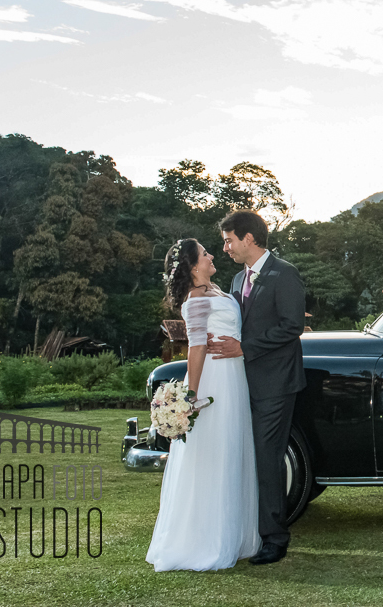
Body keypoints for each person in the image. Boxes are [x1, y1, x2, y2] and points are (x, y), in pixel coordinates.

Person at [146, 238, 261, 572]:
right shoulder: (195, 299)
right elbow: (196, 348)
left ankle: (235, 534)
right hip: (215, 381)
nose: (212, 256)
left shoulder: (218, 291)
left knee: (232, 450)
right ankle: (204, 541)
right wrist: (190, 397)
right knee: (213, 454)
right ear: (193, 265)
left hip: (234, 378)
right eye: (206, 254)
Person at [207, 210, 306, 566]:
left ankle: (275, 538)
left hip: (277, 384)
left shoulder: (285, 274)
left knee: (267, 459)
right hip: (242, 385)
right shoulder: (236, 280)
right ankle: (251, 529)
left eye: (229, 239)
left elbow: (292, 326)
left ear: (249, 238)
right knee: (246, 458)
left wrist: (244, 348)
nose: (226, 247)